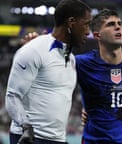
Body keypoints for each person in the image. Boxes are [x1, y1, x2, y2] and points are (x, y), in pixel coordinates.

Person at [5, 0, 91, 144]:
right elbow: (13, 96)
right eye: (86, 24)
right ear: (71, 23)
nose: (88, 32)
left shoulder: (71, 58)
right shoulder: (33, 50)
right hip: (29, 138)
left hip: (58, 139)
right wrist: (26, 127)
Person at [75, 9, 122, 144]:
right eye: (110, 24)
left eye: (119, 23)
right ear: (97, 35)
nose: (118, 27)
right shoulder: (82, 63)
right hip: (94, 141)